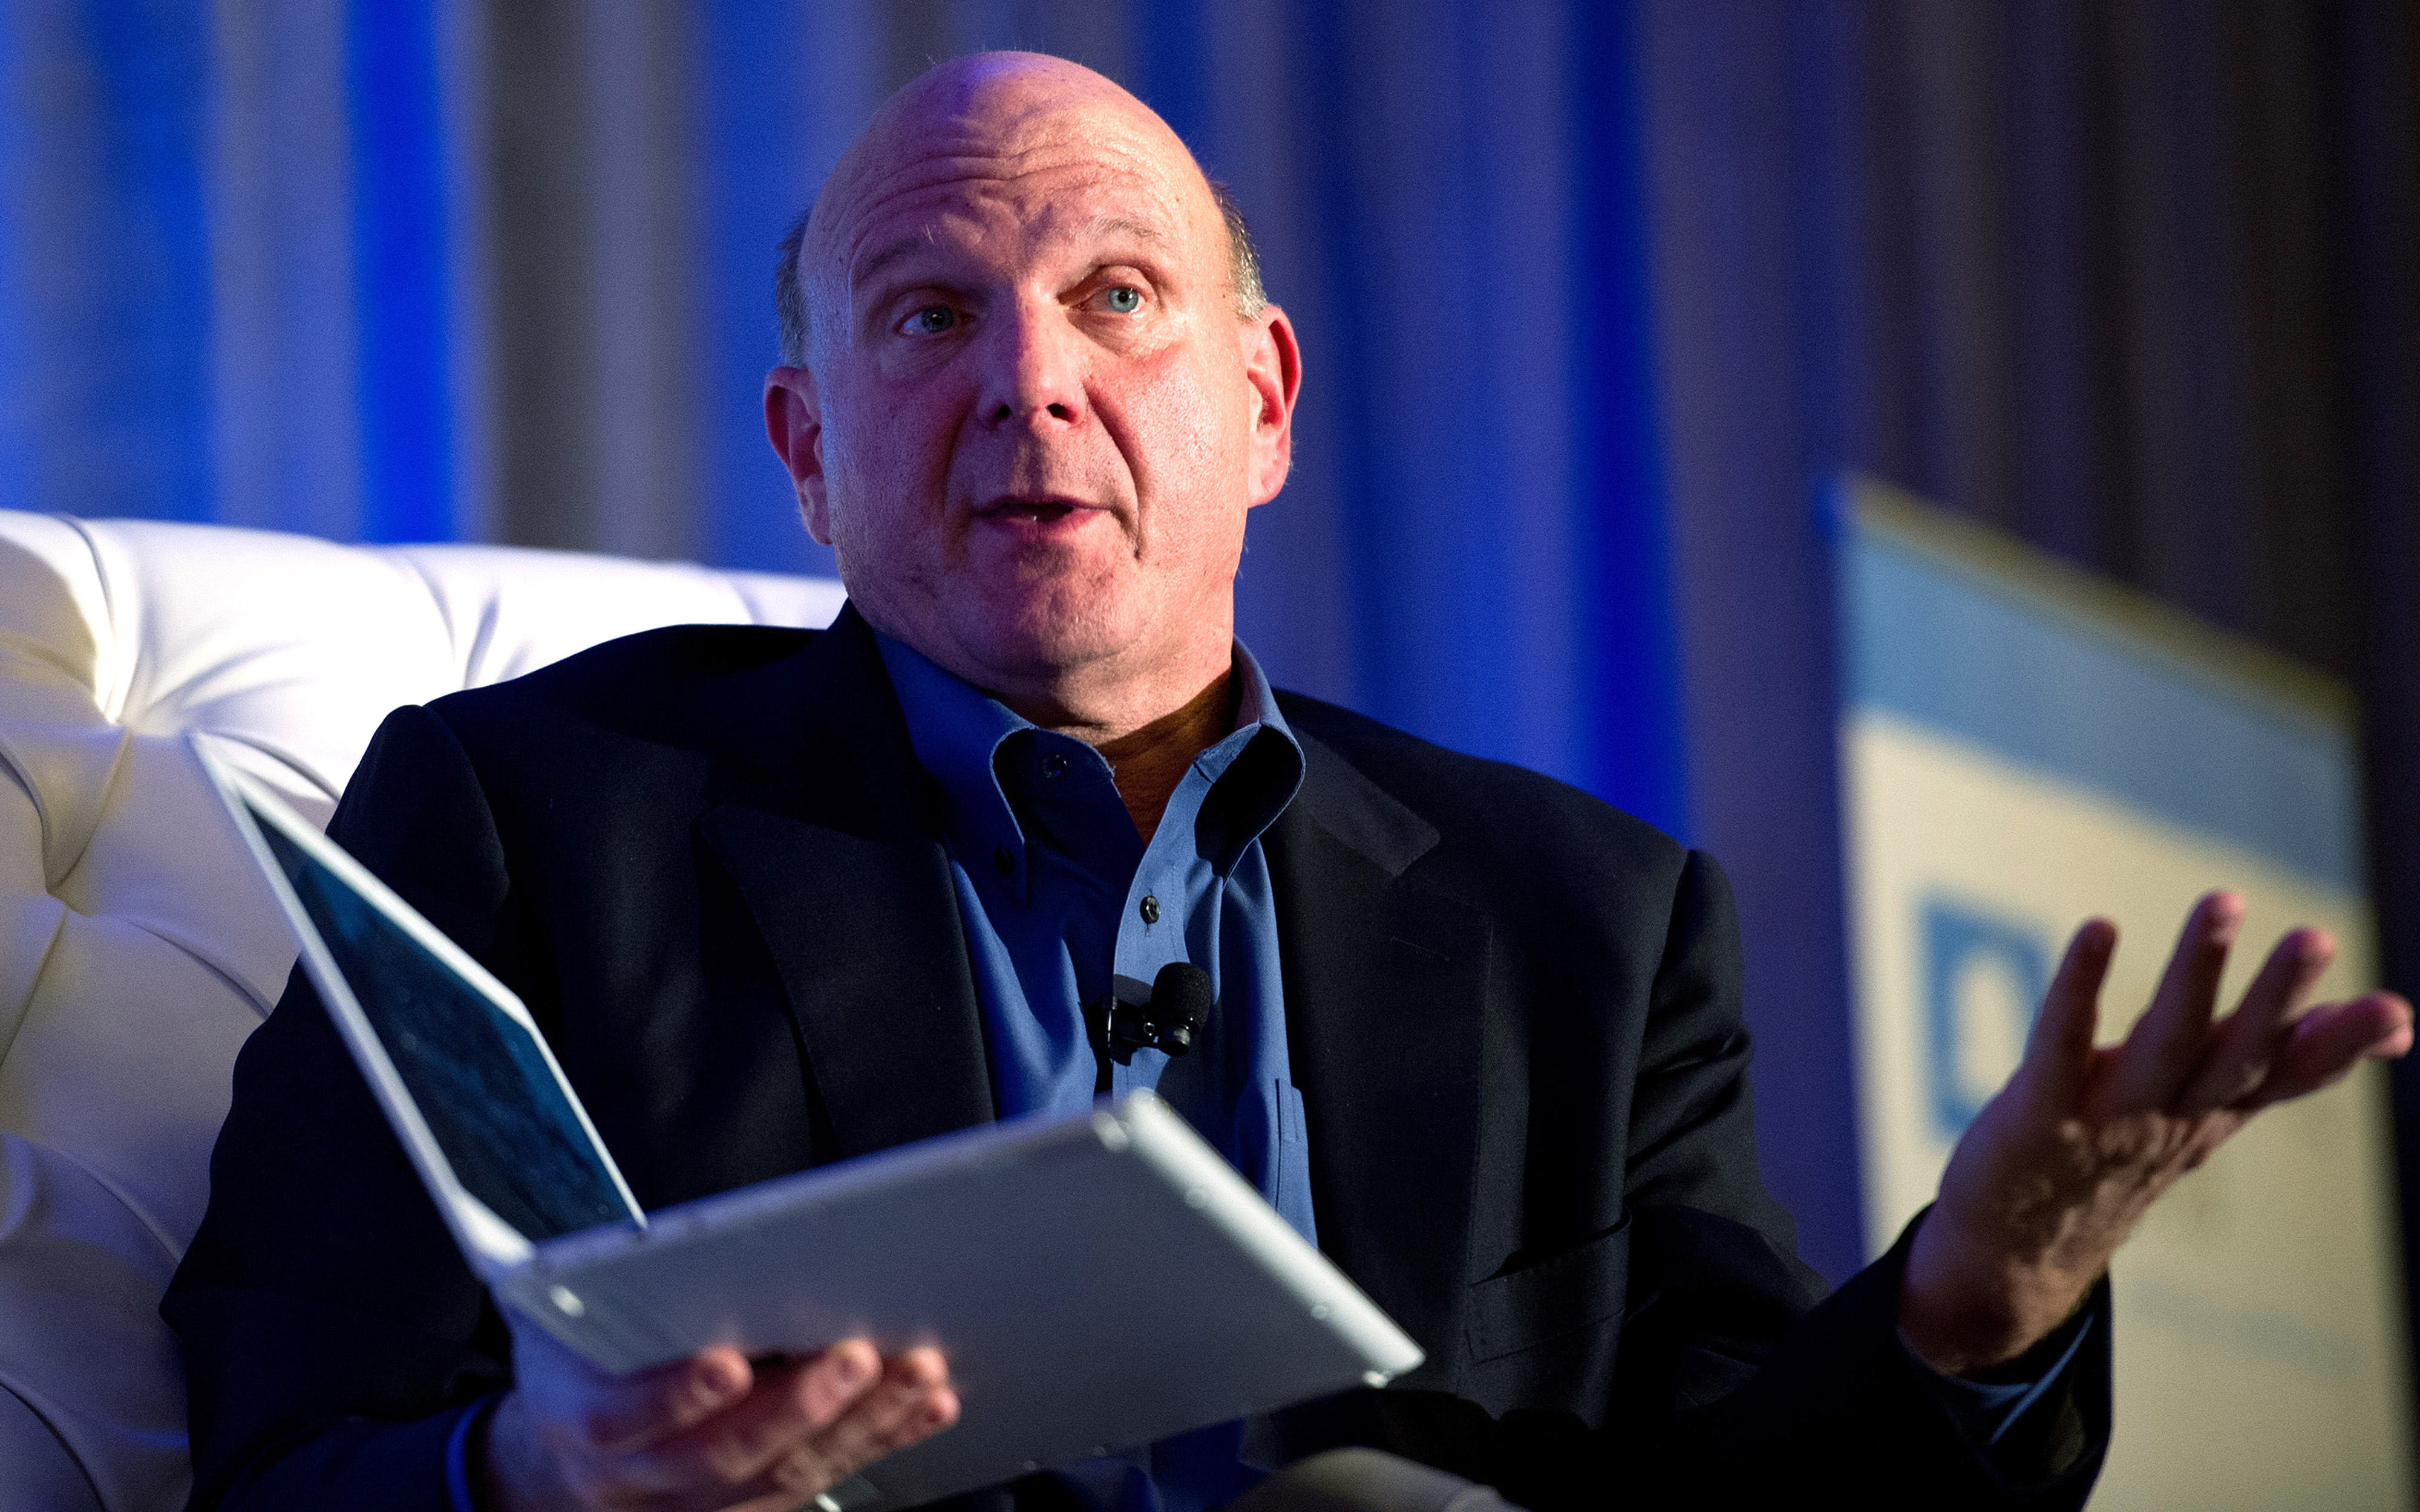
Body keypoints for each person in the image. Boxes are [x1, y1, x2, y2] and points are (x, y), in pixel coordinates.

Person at [163, 51, 2413, 1512]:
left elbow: (1738, 1492)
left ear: (1263, 404)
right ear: (812, 454)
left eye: (1118, 298)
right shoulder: (520, 815)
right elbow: (274, 1441)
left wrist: (1978, 1296)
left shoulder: (1588, 925)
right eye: (932, 318)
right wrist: (541, 1476)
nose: (1034, 387)